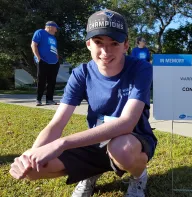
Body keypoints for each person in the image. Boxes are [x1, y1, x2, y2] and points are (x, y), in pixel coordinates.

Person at [10, 9, 157, 197]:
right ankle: (89, 172)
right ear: (88, 44)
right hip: (96, 141)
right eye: (98, 42)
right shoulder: (81, 73)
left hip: (133, 138)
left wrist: (61, 143)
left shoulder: (141, 68)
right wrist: (29, 156)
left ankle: (139, 176)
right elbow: (57, 123)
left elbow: (127, 122)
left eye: (114, 43)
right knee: (33, 168)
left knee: (122, 148)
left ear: (126, 45)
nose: (105, 51)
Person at [31, 21, 60, 106]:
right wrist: (38, 57)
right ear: (50, 27)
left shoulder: (53, 38)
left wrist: (57, 58)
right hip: (43, 61)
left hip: (54, 62)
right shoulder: (40, 32)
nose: (56, 31)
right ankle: (38, 99)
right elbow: (33, 44)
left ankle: (49, 99)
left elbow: (55, 48)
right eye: (56, 28)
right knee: (41, 80)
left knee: (52, 81)